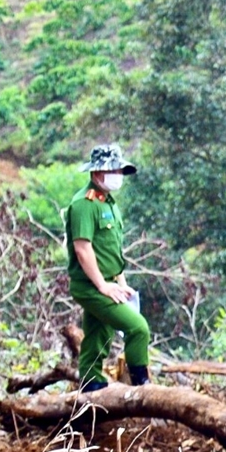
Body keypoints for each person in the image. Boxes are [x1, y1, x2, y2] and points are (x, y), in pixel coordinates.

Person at [65, 144, 150, 392]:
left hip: (109, 282)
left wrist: (121, 284)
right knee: (138, 328)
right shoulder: (83, 204)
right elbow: (83, 249)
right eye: (113, 169)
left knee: (97, 335)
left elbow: (111, 251)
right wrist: (103, 286)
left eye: (119, 170)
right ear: (96, 173)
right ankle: (142, 387)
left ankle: (92, 386)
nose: (118, 175)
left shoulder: (109, 204)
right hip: (90, 285)